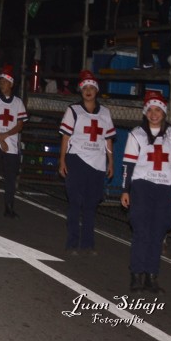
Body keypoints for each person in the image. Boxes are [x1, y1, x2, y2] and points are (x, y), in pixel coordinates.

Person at [120, 90, 171, 294]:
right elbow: (128, 165)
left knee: (158, 232)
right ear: (145, 112)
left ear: (164, 112)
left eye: (158, 109)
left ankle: (152, 276)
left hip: (166, 188)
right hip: (142, 186)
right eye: (150, 110)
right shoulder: (137, 134)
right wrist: (126, 190)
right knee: (141, 231)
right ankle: (136, 275)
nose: (154, 114)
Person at [58, 70, 115, 254]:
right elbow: (66, 137)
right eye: (85, 88)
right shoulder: (73, 110)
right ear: (81, 90)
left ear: (97, 90)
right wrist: (62, 160)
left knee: (91, 206)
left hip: (97, 164)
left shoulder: (105, 113)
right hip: (77, 160)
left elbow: (108, 140)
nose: (88, 91)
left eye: (92, 87)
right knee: (75, 203)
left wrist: (111, 161)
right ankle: (71, 243)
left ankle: (88, 244)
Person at [0, 64, 27, 217]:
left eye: (5, 82)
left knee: (10, 176)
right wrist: (0, 138)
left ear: (11, 84)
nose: (2, 85)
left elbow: (20, 125)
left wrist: (6, 135)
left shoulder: (18, 103)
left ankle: (9, 207)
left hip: (12, 144)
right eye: (0, 82)